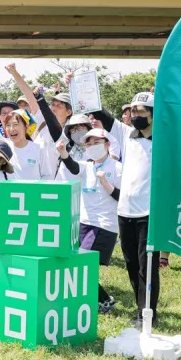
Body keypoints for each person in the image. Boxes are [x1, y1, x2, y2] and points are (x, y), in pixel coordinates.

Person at [93, 92, 158, 329]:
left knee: (147, 265)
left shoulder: (162, 140)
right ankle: (142, 309)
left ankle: (148, 313)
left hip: (149, 214)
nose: (136, 115)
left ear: (152, 114)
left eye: (142, 111)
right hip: (125, 212)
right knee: (131, 263)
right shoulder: (125, 134)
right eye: (133, 111)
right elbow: (100, 112)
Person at [57, 129, 122, 314]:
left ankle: (103, 301)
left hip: (103, 225)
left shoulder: (117, 168)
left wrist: (106, 184)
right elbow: (73, 167)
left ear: (107, 144)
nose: (92, 147)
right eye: (89, 144)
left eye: (97, 143)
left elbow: (123, 198)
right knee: (79, 265)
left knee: (82, 265)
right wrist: (63, 153)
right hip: (84, 224)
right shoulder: (87, 166)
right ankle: (103, 299)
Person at [3, 109, 52, 180]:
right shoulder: (4, 148)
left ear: (26, 127)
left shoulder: (39, 149)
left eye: (15, 124)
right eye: (8, 125)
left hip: (34, 191)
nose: (11, 129)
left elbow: (47, 176)